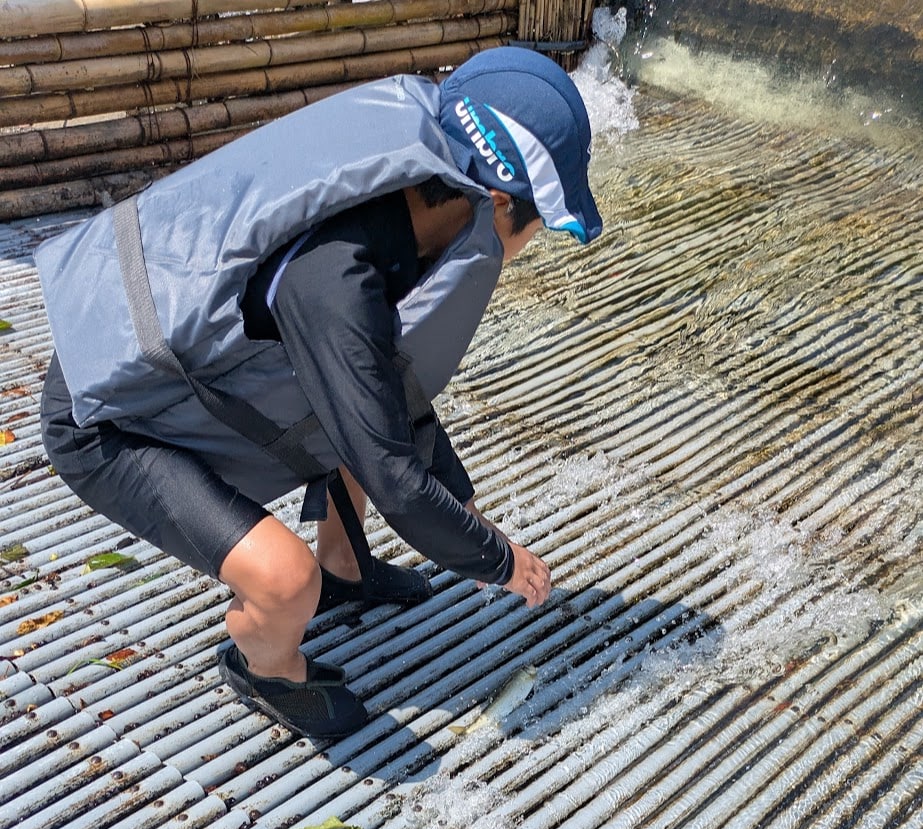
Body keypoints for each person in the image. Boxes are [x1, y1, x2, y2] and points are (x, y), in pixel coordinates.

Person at [37, 46, 603, 739]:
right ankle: (266, 667)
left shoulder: (393, 196)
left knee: (354, 405)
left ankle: (345, 565)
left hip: (159, 366)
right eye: (540, 223)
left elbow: (386, 387)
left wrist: (457, 504)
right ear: (494, 202)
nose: (529, 243)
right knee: (284, 580)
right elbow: (392, 472)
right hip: (106, 421)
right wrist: (494, 555)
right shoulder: (338, 277)